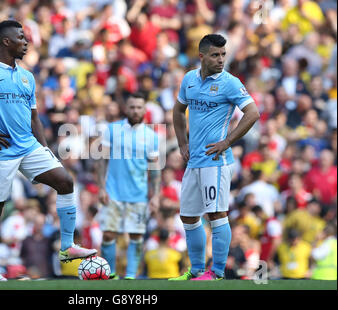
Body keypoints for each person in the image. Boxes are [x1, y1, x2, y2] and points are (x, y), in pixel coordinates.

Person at [0, 20, 96, 281]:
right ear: (6, 42)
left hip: (28, 146)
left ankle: (66, 246)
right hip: (0, 151)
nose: (26, 42)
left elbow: (34, 118)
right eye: (21, 37)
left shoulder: (27, 77)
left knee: (65, 181)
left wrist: (45, 149)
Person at [170, 34, 260, 281]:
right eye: (215, 55)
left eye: (223, 54)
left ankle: (217, 272)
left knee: (217, 214)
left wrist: (227, 141)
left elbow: (253, 113)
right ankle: (197, 269)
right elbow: (178, 110)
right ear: (202, 56)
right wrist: (181, 143)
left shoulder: (230, 83)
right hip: (194, 160)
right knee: (188, 216)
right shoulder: (189, 79)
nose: (221, 59)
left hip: (216, 160)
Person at [96, 91, 161, 279]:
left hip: (138, 194)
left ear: (144, 110)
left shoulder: (151, 136)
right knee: (108, 234)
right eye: (132, 107)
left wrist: (155, 195)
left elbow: (155, 168)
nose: (135, 110)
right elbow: (101, 160)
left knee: (136, 235)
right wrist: (101, 187)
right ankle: (110, 275)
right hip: (113, 191)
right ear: (126, 108)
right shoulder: (112, 129)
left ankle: (131, 277)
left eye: (139, 107)